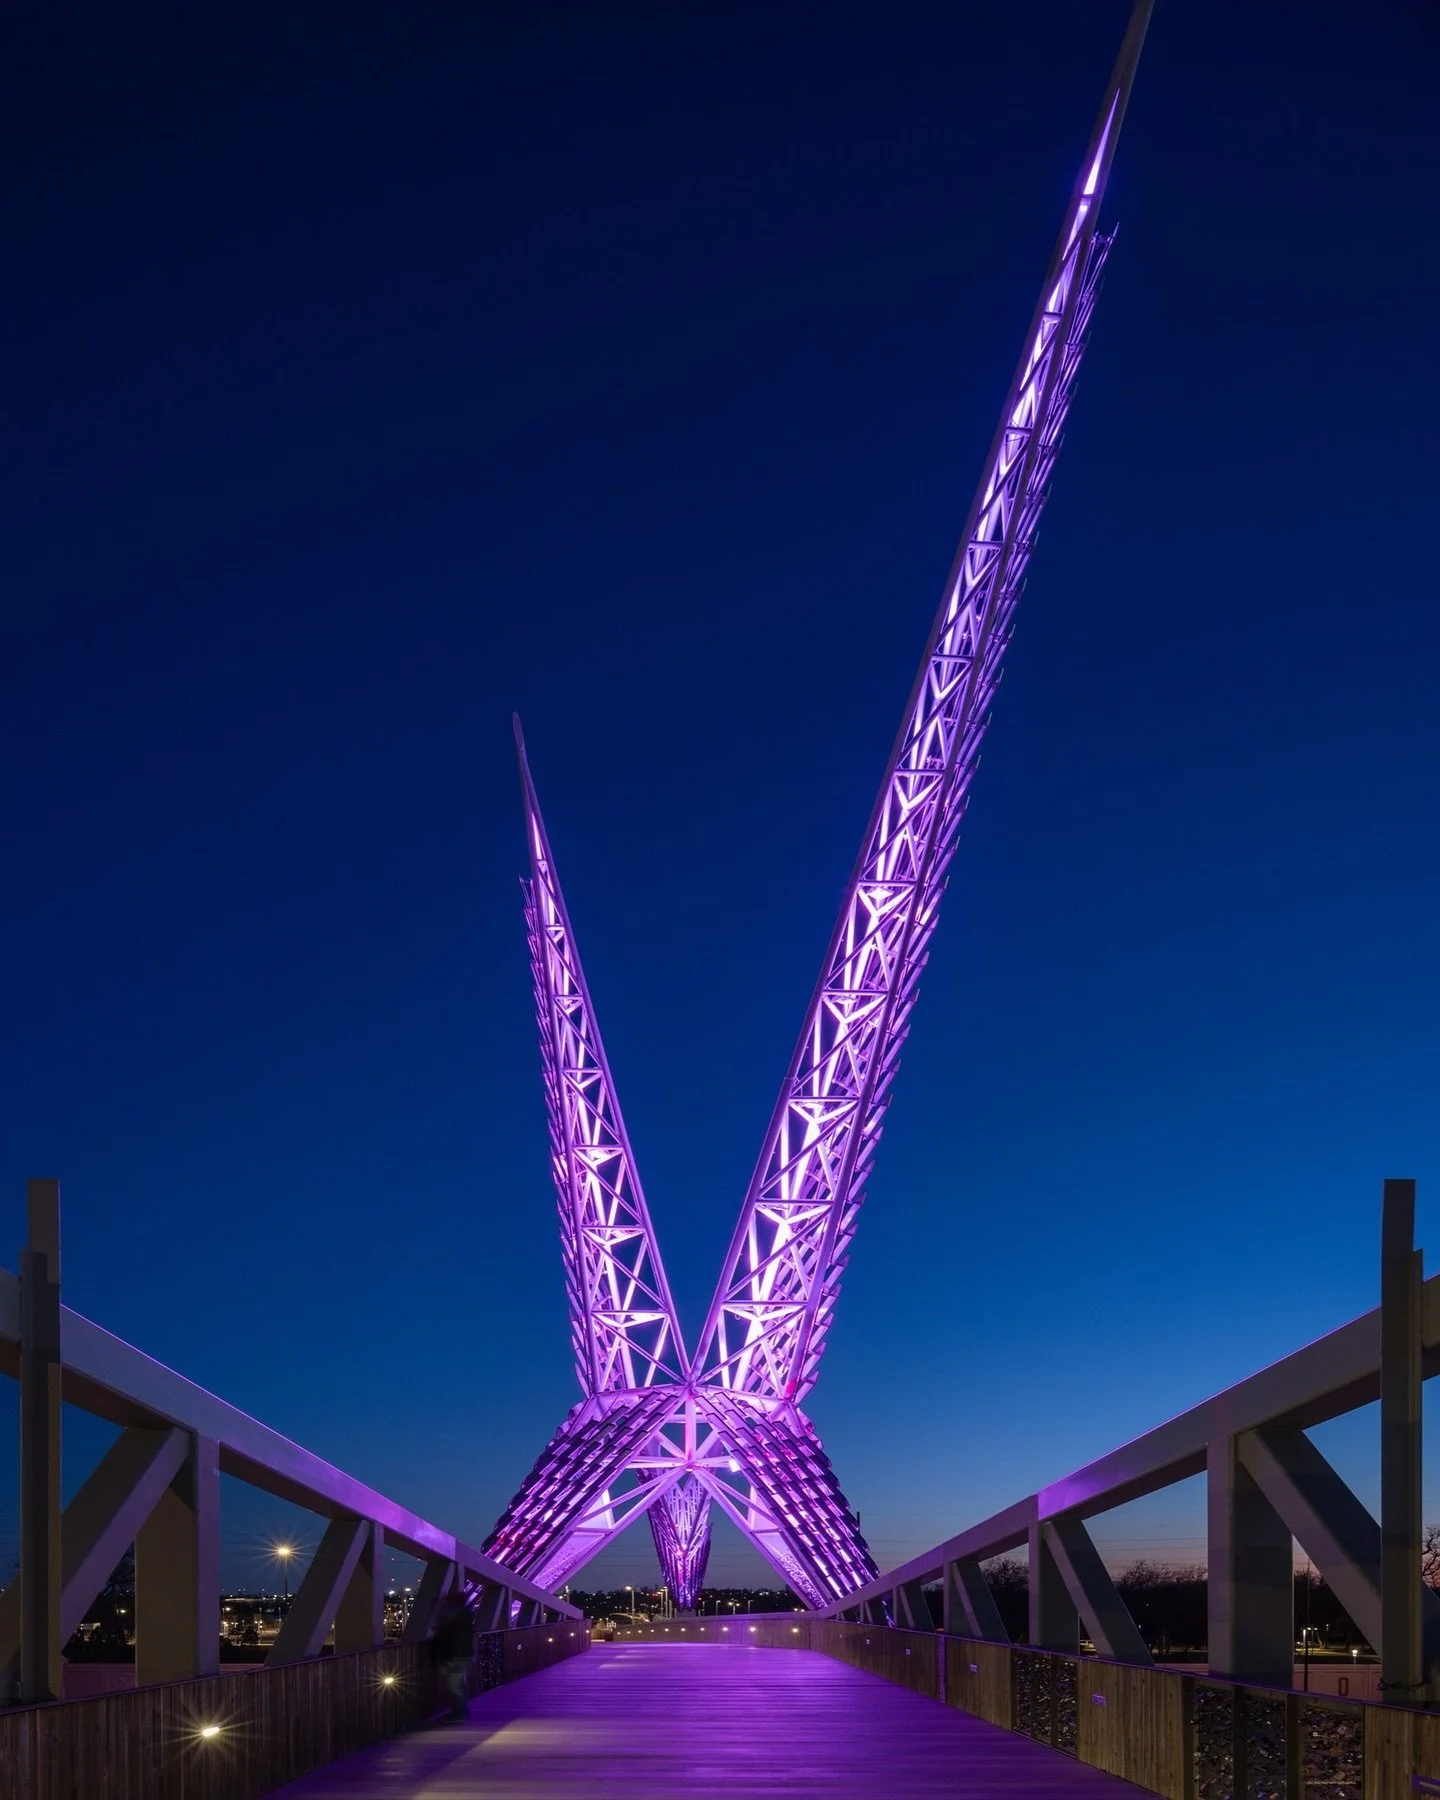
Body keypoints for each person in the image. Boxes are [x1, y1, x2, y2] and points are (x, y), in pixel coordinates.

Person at [430, 1588, 475, 1720]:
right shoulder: (465, 1616)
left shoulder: (452, 1617)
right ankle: (461, 1710)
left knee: (453, 1684)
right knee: (458, 1683)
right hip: (464, 1654)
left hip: (454, 1655)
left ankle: (459, 1713)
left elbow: (444, 1635)